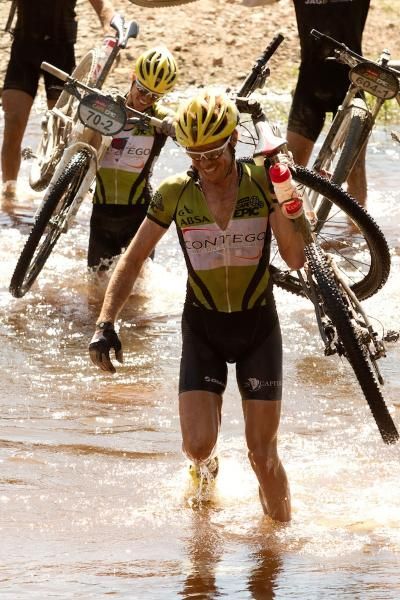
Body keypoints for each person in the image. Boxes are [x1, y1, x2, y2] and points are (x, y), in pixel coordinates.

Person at [88, 89, 305, 522]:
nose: (205, 165)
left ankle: (279, 546)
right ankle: (206, 472)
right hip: (203, 329)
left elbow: (296, 258)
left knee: (262, 455)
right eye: (195, 156)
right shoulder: (175, 192)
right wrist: (105, 322)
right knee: (197, 446)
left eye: (213, 154)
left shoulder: (263, 181)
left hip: (257, 328)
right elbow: (132, 258)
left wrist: (289, 202)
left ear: (233, 141)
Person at [243, 0, 370, 206]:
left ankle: (359, 226)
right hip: (310, 87)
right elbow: (249, 2)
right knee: (291, 169)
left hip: (351, 83)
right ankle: (293, 222)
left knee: (355, 170)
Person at [1, 0, 115, 200]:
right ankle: (9, 193)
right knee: (13, 121)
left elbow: (104, 7)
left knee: (63, 129)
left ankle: (56, 196)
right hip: (24, 49)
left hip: (60, 51)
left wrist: (110, 32)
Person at [88, 46, 178, 271]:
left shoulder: (157, 117)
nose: (146, 99)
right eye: (142, 90)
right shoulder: (111, 105)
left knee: (138, 285)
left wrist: (174, 122)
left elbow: (176, 117)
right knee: (95, 285)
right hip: (101, 212)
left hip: (139, 214)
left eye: (154, 96)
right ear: (133, 78)